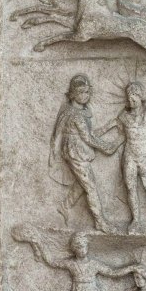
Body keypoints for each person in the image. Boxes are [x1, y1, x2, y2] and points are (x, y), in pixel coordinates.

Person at [50, 74, 116, 233]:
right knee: (91, 187)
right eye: (82, 92)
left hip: (78, 149)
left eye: (88, 92)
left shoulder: (75, 111)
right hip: (76, 152)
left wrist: (109, 126)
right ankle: (100, 222)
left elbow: (89, 134)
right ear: (73, 94)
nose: (87, 95)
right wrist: (106, 147)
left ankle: (64, 206)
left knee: (83, 183)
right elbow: (88, 138)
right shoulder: (75, 115)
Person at [99, 82, 146, 234]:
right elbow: (119, 132)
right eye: (129, 96)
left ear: (141, 97)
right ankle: (136, 221)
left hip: (145, 156)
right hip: (129, 156)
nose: (131, 99)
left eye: (135, 96)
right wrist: (102, 136)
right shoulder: (124, 116)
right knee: (131, 188)